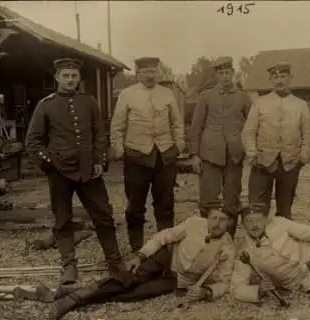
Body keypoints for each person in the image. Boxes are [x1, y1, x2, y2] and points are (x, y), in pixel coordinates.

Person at [25, 58, 126, 285]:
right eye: (65, 76)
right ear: (57, 78)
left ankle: (115, 262)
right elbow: (32, 142)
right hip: (60, 173)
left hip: (89, 171)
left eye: (74, 75)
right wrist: (50, 163)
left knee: (103, 215)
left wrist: (101, 160)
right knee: (62, 219)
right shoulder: (46, 105)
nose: (70, 80)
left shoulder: (89, 102)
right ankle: (69, 266)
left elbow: (100, 134)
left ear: (79, 78)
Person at [47, 200, 236, 320]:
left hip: (177, 279)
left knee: (135, 293)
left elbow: (224, 281)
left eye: (222, 220)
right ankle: (74, 299)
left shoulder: (228, 248)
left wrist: (206, 292)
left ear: (229, 224)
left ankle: (80, 292)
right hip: (165, 257)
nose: (217, 224)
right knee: (129, 279)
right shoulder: (194, 223)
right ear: (208, 218)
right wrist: (141, 255)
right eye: (214, 218)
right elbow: (165, 236)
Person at [110, 57, 185, 252]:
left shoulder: (167, 93)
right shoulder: (127, 95)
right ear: (137, 74)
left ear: (158, 73)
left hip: (164, 156)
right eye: (145, 72)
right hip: (136, 156)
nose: (150, 76)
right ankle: (137, 249)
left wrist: (178, 146)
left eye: (153, 72)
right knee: (135, 205)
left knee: (165, 204)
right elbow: (117, 125)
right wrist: (119, 148)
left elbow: (177, 123)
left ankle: (165, 248)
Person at [189, 56, 252, 237]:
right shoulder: (206, 97)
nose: (225, 76)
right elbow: (196, 126)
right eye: (221, 73)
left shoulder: (243, 97)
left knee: (232, 200)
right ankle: (206, 239)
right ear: (216, 75)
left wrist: (247, 149)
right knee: (208, 200)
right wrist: (195, 154)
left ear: (233, 74)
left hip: (234, 155)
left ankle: (229, 240)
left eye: (227, 73)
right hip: (210, 155)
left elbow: (251, 125)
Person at [241, 62, 310, 220]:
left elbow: (308, 134)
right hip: (262, 163)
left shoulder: (300, 105)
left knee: (285, 211)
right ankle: (259, 242)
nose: (279, 80)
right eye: (276, 77)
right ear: (271, 80)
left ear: (290, 78)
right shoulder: (260, 103)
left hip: (290, 163)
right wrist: (253, 155)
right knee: (257, 209)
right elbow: (249, 132)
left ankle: (282, 243)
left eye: (283, 76)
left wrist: (302, 157)